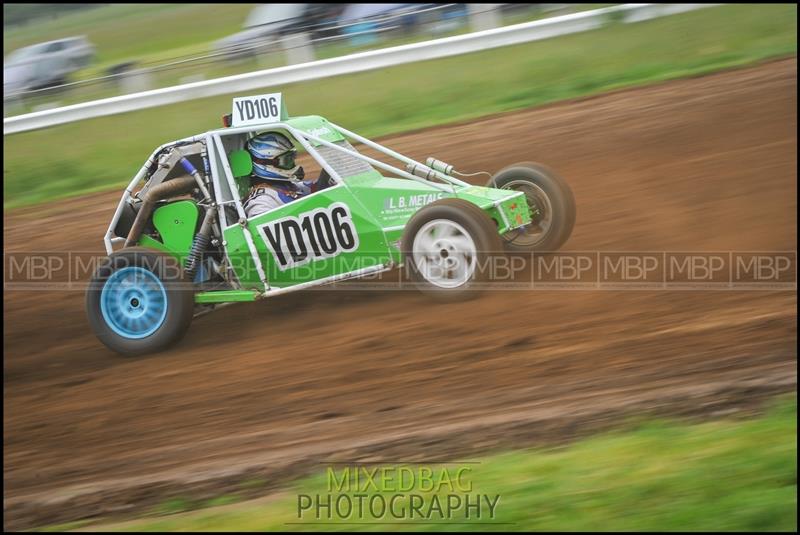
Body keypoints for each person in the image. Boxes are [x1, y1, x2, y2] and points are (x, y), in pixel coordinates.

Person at [242, 131, 331, 218]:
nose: (292, 164)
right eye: (287, 160)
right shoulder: (262, 201)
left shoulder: (285, 186)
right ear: (264, 164)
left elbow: (317, 187)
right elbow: (260, 229)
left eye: (292, 158)